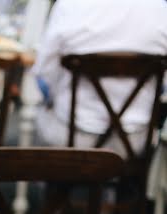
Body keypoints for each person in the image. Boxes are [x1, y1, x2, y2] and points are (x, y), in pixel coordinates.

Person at [32, 0, 167, 158]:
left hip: (72, 138)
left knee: (41, 104)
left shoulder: (69, 5)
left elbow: (44, 70)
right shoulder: (159, 8)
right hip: (136, 141)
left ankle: (52, 178)